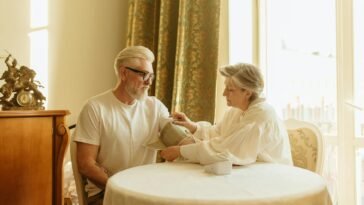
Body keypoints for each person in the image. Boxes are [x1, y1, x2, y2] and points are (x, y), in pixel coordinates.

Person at [73, 46, 170, 205]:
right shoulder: (95, 107)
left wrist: (194, 130)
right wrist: (121, 188)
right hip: (106, 191)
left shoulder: (155, 107)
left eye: (151, 75)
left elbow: (176, 134)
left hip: (146, 192)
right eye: (143, 74)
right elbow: (86, 164)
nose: (149, 81)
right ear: (124, 73)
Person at [160, 63, 293, 166]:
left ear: (247, 93)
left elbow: (226, 150)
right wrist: (193, 126)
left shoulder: (262, 114)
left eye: (230, 90)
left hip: (271, 175)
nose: (224, 94)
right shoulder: (236, 111)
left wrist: (180, 151)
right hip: (250, 170)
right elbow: (218, 134)